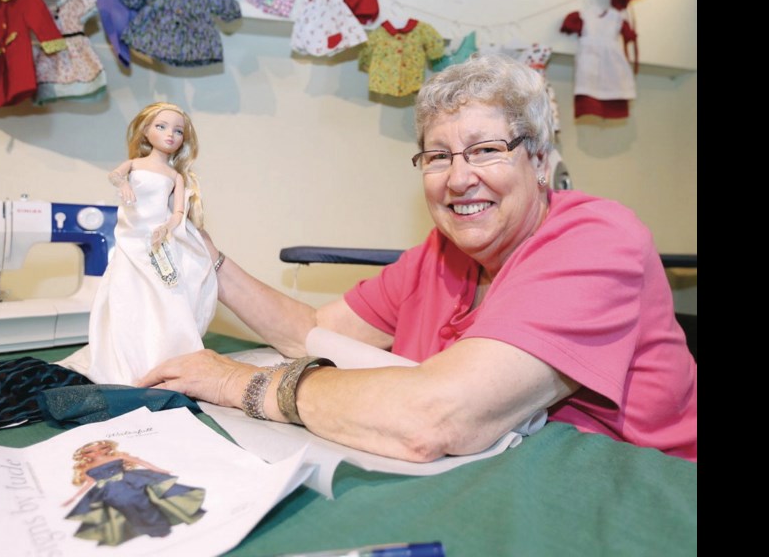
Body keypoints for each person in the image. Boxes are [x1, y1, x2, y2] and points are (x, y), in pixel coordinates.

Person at [137, 53, 697, 462]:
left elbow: (436, 417)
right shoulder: (441, 253)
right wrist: (204, 255)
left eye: (485, 150)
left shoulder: (596, 240)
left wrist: (239, 383)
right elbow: (311, 330)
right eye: (438, 155)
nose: (458, 177)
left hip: (634, 489)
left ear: (541, 161)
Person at [58, 102, 218, 386]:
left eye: (178, 131)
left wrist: (167, 227)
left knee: (163, 298)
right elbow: (114, 175)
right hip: (131, 238)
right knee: (126, 296)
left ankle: (163, 355)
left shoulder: (174, 176)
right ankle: (124, 355)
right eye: (161, 126)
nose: (170, 135)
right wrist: (123, 184)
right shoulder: (135, 164)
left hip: (156, 241)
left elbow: (178, 211)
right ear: (145, 132)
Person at [63, 439, 206, 546]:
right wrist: (74, 497)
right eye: (91, 451)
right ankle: (149, 531)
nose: (97, 452)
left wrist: (160, 470)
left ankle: (161, 528)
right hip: (109, 492)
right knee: (126, 511)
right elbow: (89, 482)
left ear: (107, 448)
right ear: (84, 455)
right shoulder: (87, 467)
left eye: (101, 448)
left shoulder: (116, 457)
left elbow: (143, 463)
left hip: (129, 484)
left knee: (144, 504)